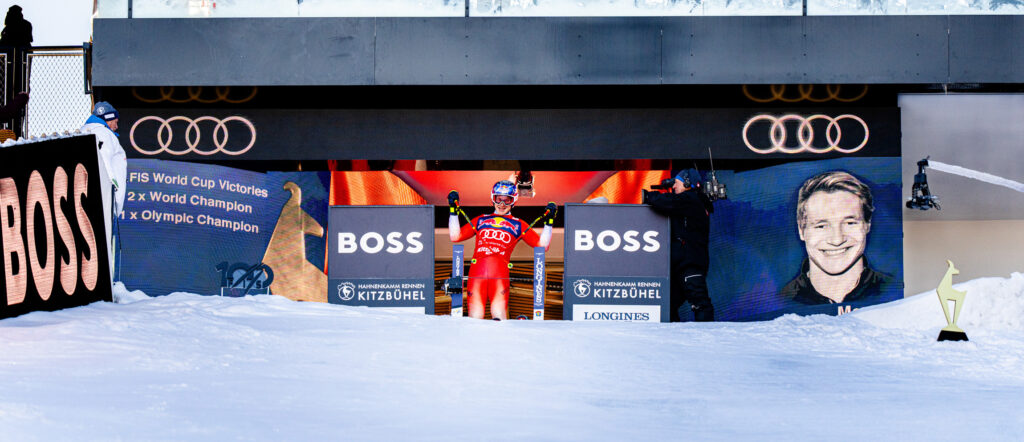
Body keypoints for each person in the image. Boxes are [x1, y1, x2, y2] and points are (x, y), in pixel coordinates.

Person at [779, 171, 895, 306]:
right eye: (821, 226)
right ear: (801, 230)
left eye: (849, 223)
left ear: (867, 224)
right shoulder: (779, 301)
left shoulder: (893, 292)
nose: (837, 240)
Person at [448, 180, 555, 320]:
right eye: (498, 199)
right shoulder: (481, 220)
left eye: (507, 200)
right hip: (477, 275)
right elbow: (455, 237)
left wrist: (549, 222)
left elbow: (542, 246)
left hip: (500, 275)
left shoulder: (518, 224)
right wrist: (453, 212)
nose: (502, 204)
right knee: (474, 318)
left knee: (499, 317)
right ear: (493, 199)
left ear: (514, 201)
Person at [643, 168, 715, 322]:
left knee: (699, 302)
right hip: (682, 264)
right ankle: (674, 336)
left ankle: (708, 339)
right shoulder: (691, 201)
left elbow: (665, 202)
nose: (674, 187)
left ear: (688, 183)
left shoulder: (691, 199)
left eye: (677, 183)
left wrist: (648, 196)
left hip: (690, 263)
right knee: (668, 304)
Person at [80, 101, 127, 279]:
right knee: (103, 245)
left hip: (92, 196)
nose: (117, 124)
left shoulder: (88, 131)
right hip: (103, 198)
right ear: (107, 119)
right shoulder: (102, 133)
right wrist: (111, 185)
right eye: (115, 120)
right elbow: (103, 160)